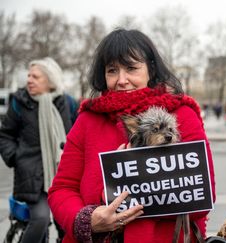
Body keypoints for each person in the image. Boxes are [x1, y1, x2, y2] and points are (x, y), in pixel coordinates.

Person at [47, 28, 216, 243]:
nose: (121, 80)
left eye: (131, 68)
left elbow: (202, 194)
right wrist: (87, 220)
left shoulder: (182, 114)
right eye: (112, 70)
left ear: (150, 69)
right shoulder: (87, 120)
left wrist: (130, 189)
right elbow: (62, 188)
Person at [0, 57, 77, 243]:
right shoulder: (20, 102)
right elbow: (5, 135)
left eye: (36, 77)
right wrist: (16, 157)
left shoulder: (68, 103)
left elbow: (77, 135)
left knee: (69, 224)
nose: (29, 80)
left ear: (50, 81)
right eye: (29, 75)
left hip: (63, 175)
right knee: (41, 219)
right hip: (32, 175)